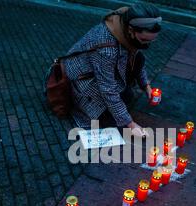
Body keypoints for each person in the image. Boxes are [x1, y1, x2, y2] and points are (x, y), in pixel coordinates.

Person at [63, 3, 162, 137]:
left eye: (152, 40)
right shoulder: (107, 49)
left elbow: (136, 59)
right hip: (81, 79)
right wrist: (131, 125)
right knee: (109, 122)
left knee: (126, 97)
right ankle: (80, 106)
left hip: (100, 71)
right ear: (131, 30)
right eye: (144, 39)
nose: (147, 44)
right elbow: (107, 89)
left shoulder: (126, 28)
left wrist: (147, 86)